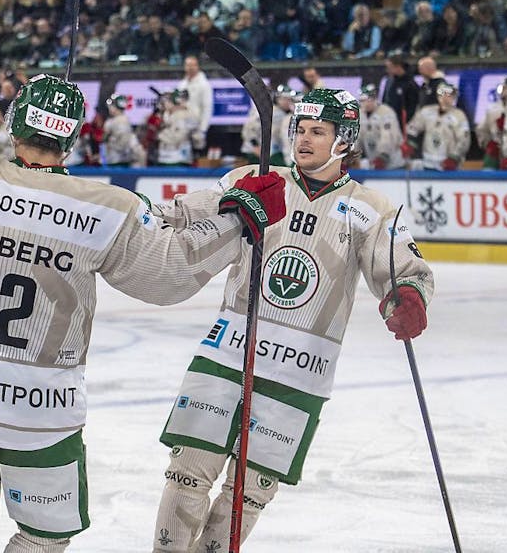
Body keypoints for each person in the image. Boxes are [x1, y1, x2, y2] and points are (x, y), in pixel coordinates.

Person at [0, 64, 287, 553]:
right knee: (42, 539)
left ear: (14, 124)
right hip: (42, 413)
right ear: (73, 140)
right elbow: (171, 275)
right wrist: (239, 221)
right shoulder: (104, 206)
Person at [150, 87, 434, 553]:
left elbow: (403, 268)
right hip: (229, 353)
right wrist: (142, 217)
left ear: (343, 140)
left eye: (317, 131)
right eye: (299, 129)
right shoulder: (257, 180)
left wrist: (408, 296)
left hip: (299, 374)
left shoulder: (371, 209)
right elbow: (192, 209)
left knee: (250, 494)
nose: (303, 140)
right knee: (187, 470)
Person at [402, 83, 470, 171]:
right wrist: (410, 143)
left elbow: (464, 139)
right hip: (427, 162)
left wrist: (454, 157)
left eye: (449, 95)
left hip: (448, 165)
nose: (446, 97)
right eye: (443, 93)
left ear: (454, 97)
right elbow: (413, 128)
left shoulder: (459, 116)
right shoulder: (426, 111)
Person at [357, 82, 404, 169]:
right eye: (361, 101)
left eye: (366, 100)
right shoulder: (360, 114)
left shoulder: (386, 113)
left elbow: (388, 137)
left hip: (393, 163)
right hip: (373, 161)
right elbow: (357, 137)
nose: (363, 104)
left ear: (373, 99)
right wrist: (352, 156)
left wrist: (383, 155)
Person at [477, 77, 507, 170]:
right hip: (496, 150)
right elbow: (482, 129)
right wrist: (488, 144)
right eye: (502, 87)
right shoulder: (493, 108)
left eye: (506, 87)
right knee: (487, 175)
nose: (503, 90)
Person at [176, 55, 212, 153]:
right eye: (188, 65)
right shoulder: (182, 84)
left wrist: (203, 129)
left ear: (198, 66)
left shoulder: (204, 84)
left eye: (193, 65)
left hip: (196, 127)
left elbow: (207, 108)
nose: (190, 68)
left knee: (197, 154)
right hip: (182, 126)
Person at [157, 88, 200, 166]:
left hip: (179, 157)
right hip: (163, 157)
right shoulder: (165, 115)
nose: (165, 103)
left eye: (168, 100)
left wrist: (160, 135)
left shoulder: (185, 115)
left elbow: (178, 137)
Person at [102, 93, 145, 166]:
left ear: (116, 106)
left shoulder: (118, 121)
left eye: (112, 106)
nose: (109, 108)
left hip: (117, 160)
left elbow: (122, 143)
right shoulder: (116, 120)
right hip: (116, 159)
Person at [381, 54, 419, 126]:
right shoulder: (389, 81)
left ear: (398, 67)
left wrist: (404, 122)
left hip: (403, 124)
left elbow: (412, 107)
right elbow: (385, 100)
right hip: (388, 122)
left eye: (389, 68)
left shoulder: (410, 84)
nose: (387, 70)